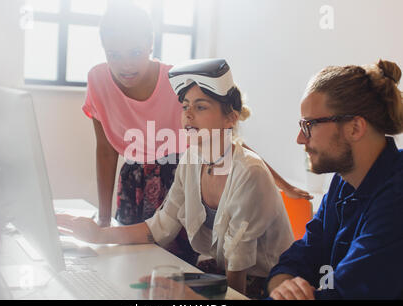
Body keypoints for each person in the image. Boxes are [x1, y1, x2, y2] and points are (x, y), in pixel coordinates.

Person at [82, 1, 310, 265]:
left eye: (135, 52)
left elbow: (227, 141)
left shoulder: (179, 83)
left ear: (150, 44)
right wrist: (102, 222)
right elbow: (106, 152)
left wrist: (284, 184)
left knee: (176, 264)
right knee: (131, 263)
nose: (126, 65)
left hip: (182, 180)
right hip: (137, 185)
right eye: (114, 55)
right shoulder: (98, 80)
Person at [58, 58, 295, 299]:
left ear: (231, 118)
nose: (188, 115)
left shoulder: (249, 172)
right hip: (223, 274)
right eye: (185, 106)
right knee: (138, 288)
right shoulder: (192, 159)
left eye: (200, 107)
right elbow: (161, 225)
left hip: (267, 285)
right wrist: (99, 236)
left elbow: (238, 270)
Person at [265, 59, 403, 300]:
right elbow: (304, 254)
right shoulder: (343, 179)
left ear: (355, 128)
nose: (299, 138)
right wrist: (283, 284)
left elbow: (343, 294)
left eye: (309, 125)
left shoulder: (397, 197)